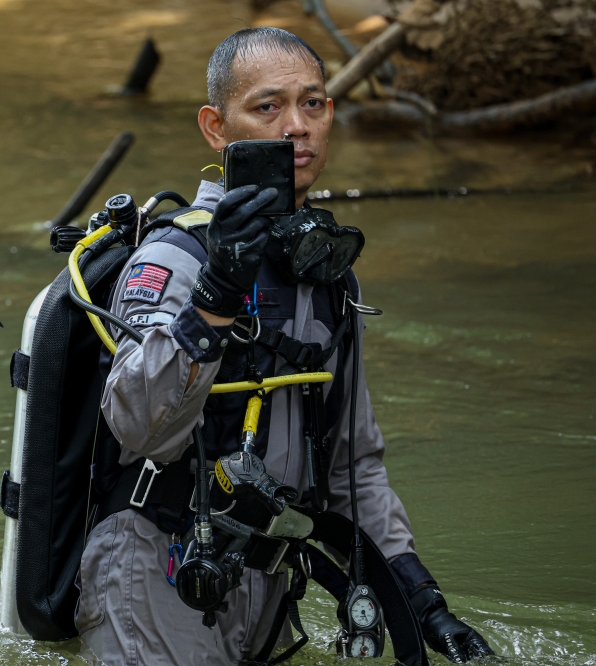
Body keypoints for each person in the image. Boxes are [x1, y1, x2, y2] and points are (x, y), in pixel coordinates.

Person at [76, 27, 495, 666]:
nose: (296, 127)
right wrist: (214, 298)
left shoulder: (327, 276)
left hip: (265, 580)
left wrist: (421, 600)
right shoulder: (173, 257)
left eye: (314, 104)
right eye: (268, 107)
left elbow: (354, 470)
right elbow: (136, 426)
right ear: (216, 127)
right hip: (156, 571)